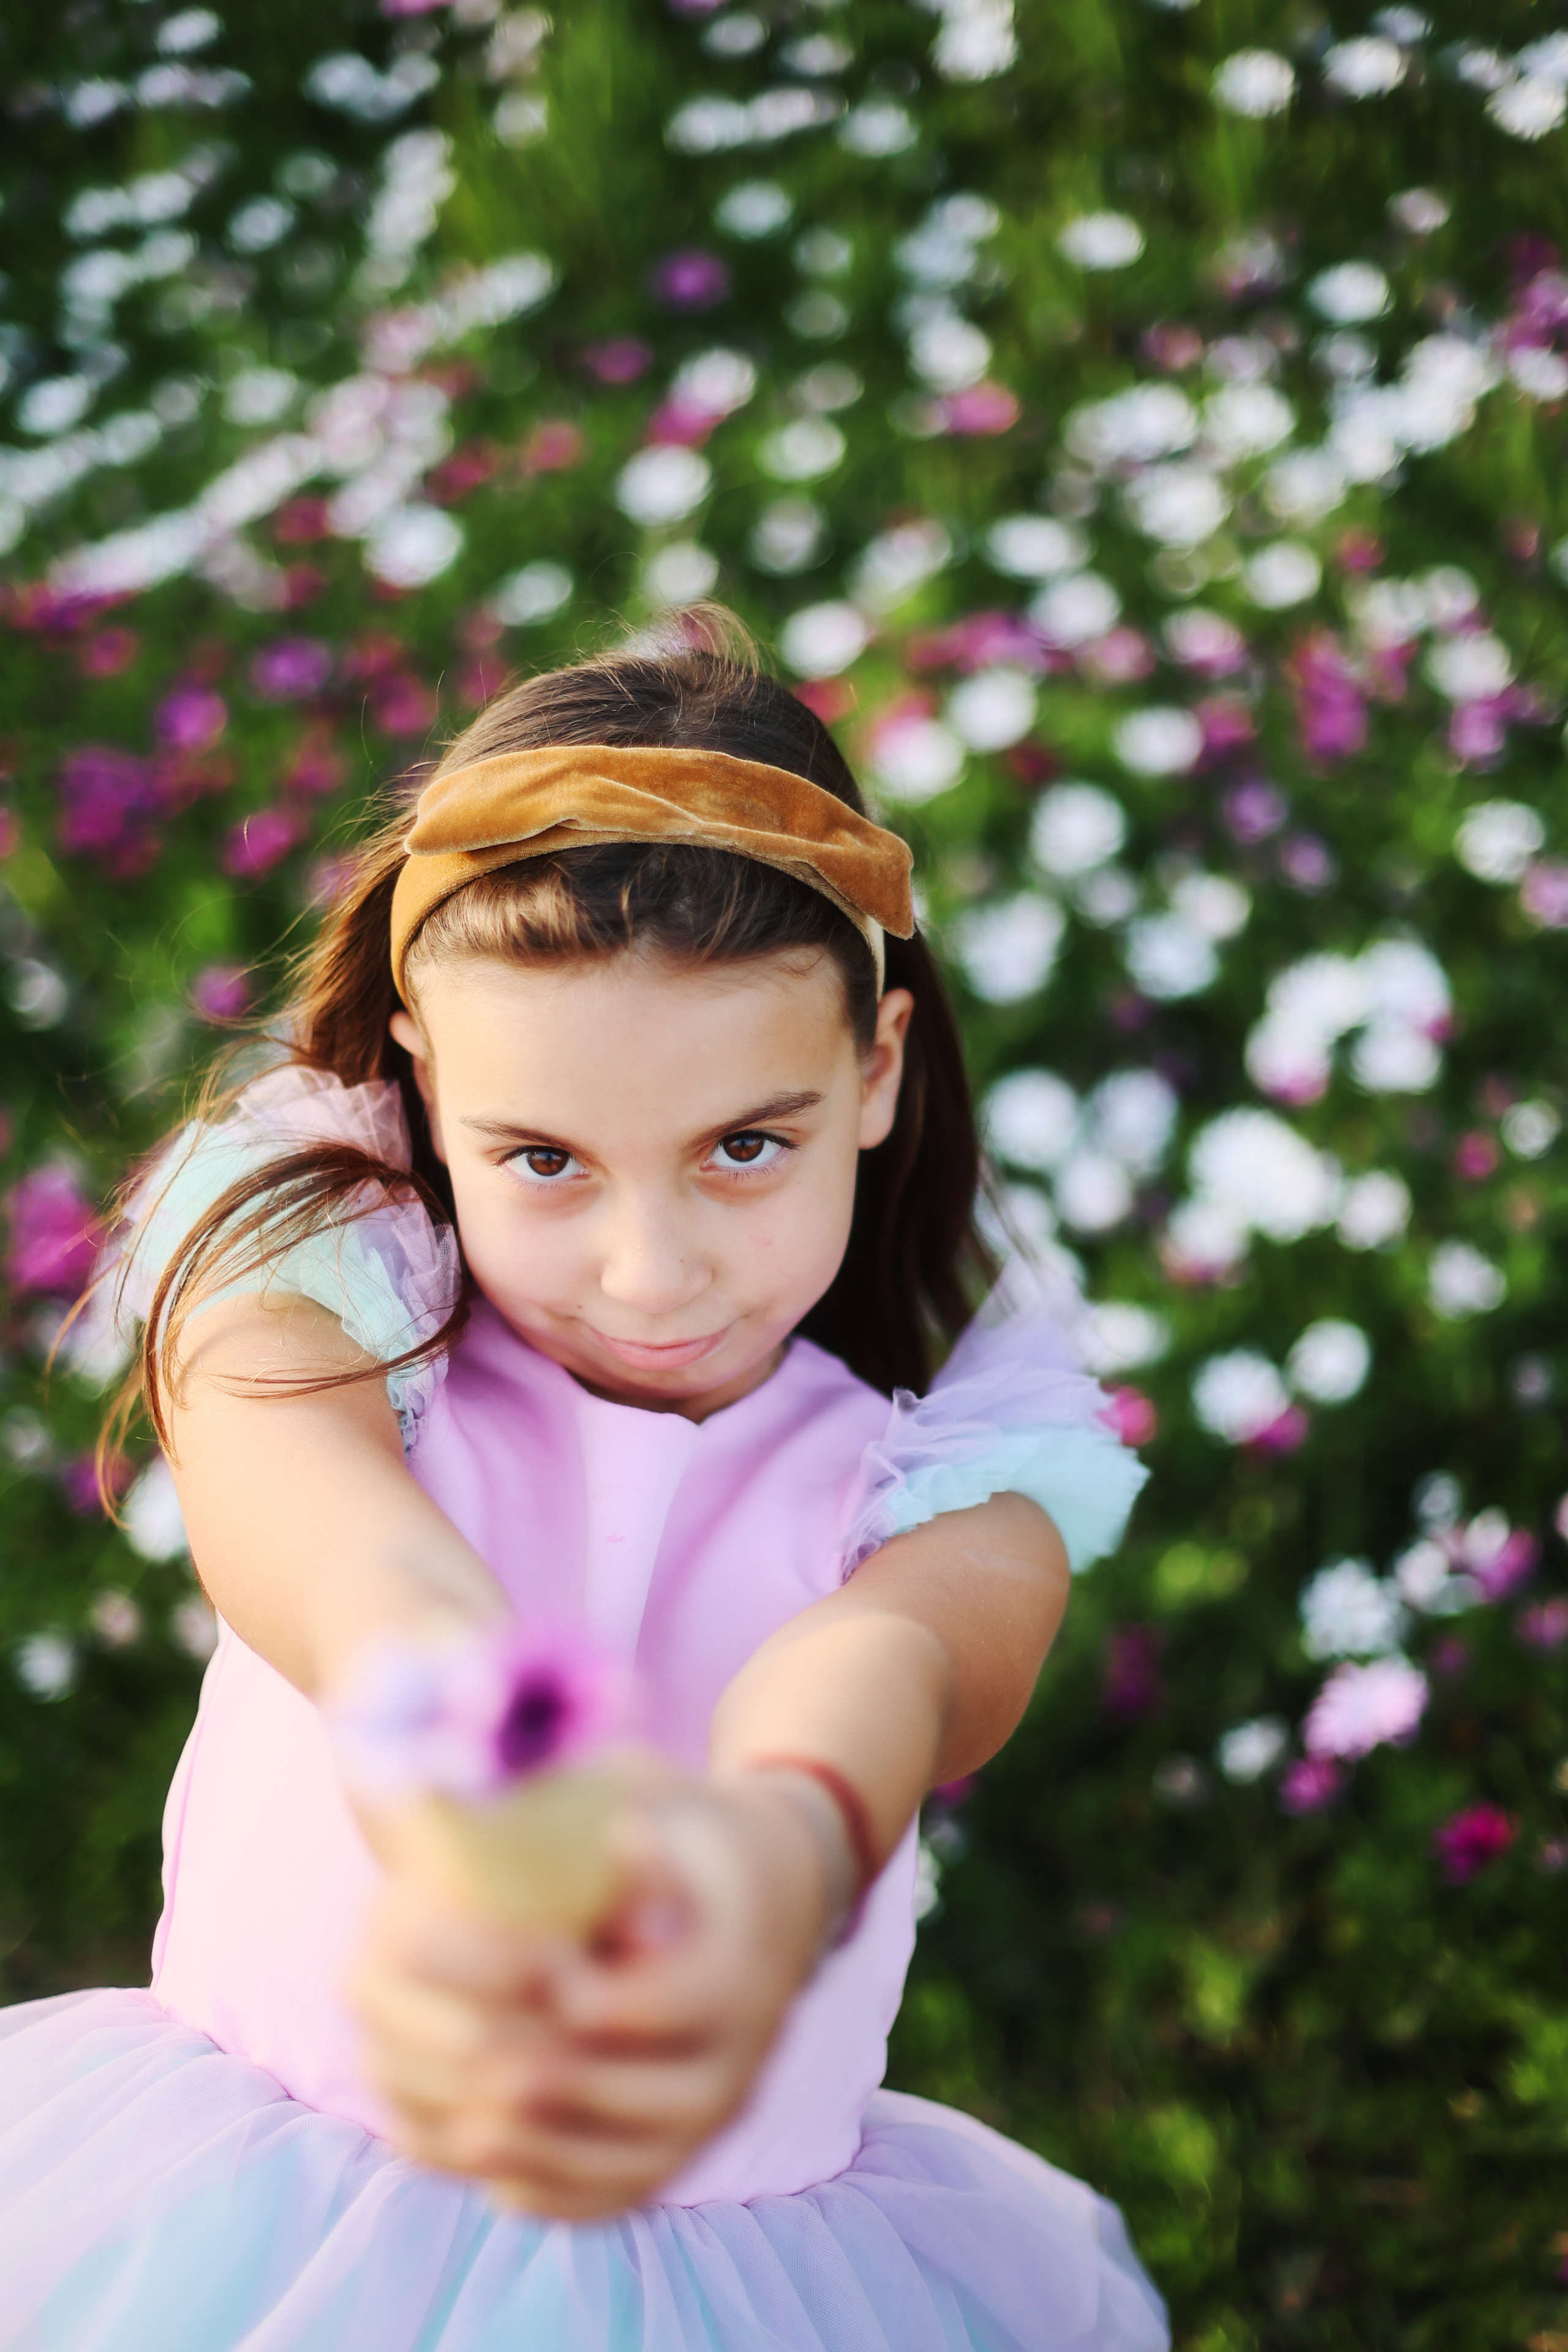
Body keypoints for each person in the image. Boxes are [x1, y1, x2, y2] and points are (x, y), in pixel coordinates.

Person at [0, 616, 1167, 2351]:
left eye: (742, 1147)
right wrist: (487, 1790)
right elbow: (344, 1567)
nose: (650, 1270)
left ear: (878, 1072)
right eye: (542, 1159)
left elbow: (892, 1674)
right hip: (251, 2233)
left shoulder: (953, 1484)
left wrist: (769, 1857)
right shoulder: (322, 1325)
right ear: (420, 1074)